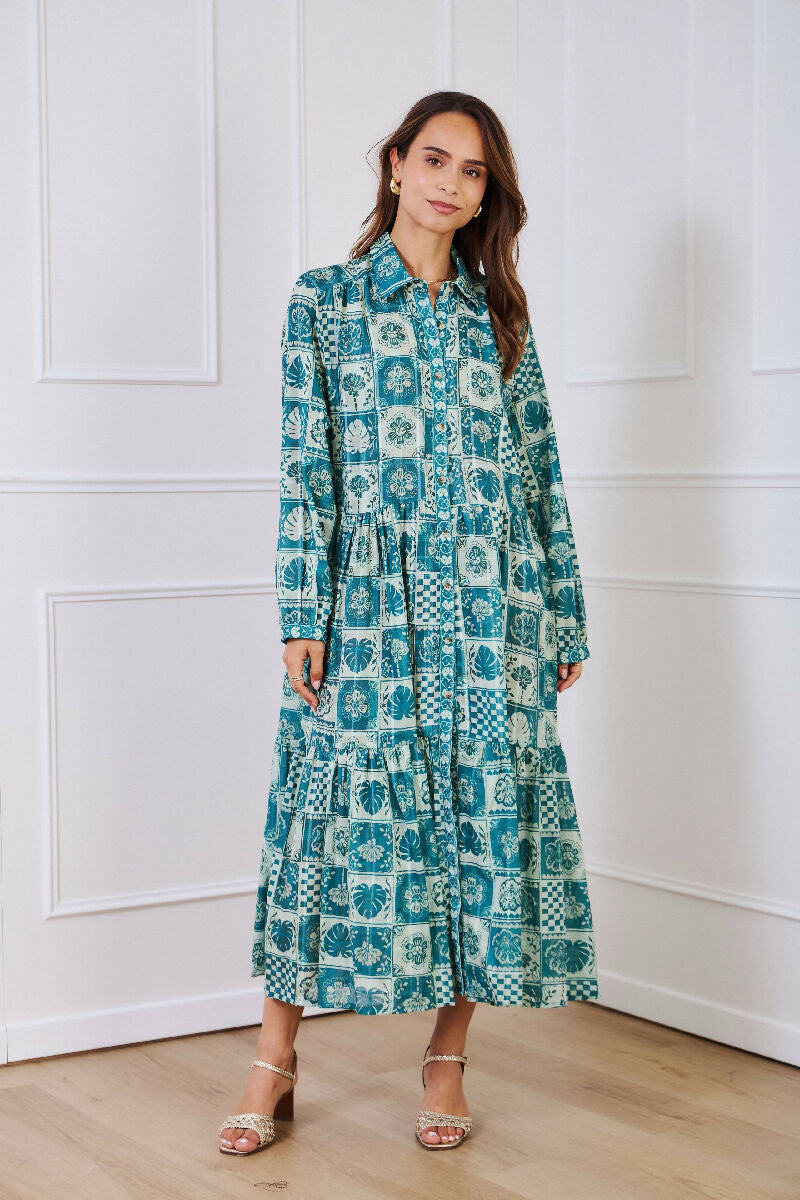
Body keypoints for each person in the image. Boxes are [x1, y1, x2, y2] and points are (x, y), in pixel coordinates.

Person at [219, 89, 599, 1157]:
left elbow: (538, 471)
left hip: (493, 608)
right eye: (435, 159)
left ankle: (447, 1058)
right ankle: (273, 1059)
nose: (450, 183)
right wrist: (303, 610)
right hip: (369, 610)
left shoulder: (499, 315)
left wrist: (563, 613)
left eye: (472, 172)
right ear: (395, 163)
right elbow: (307, 467)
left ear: (486, 196)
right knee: (324, 816)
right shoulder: (325, 301)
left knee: (482, 817)